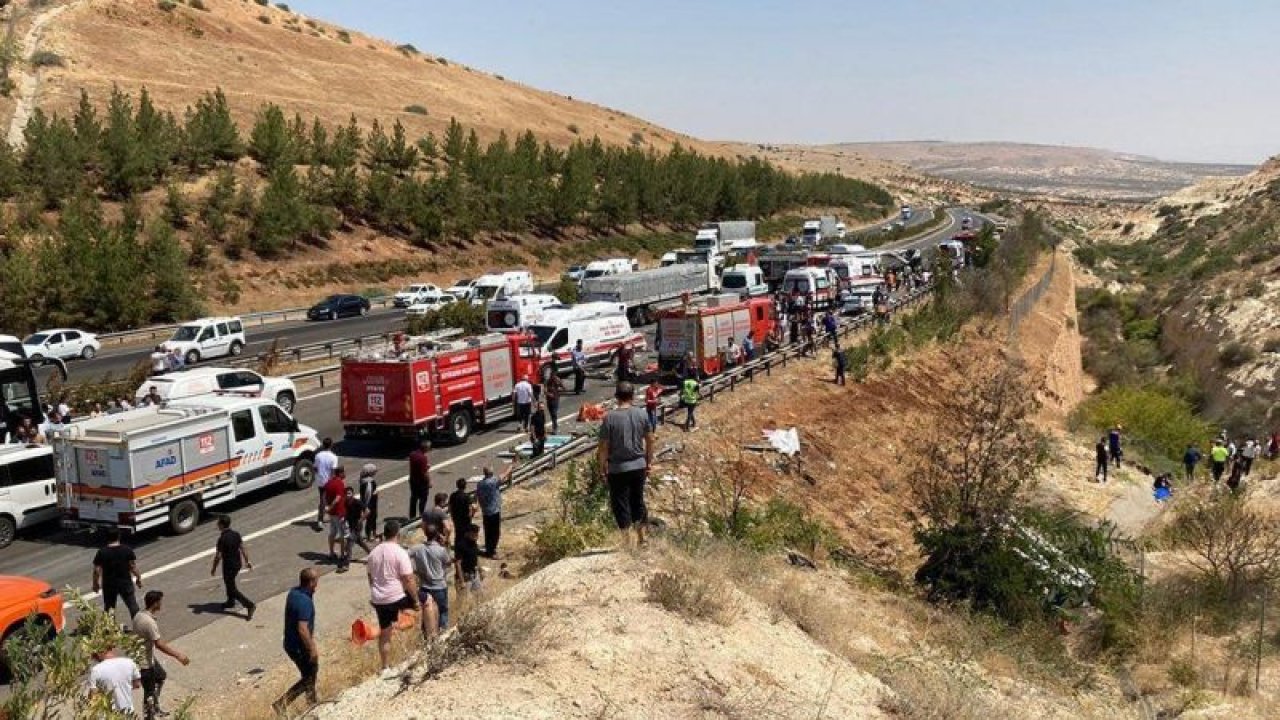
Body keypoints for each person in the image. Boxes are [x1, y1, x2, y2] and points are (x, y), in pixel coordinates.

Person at [597, 382, 655, 545]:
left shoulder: (609, 418)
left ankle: (627, 541)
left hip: (618, 468)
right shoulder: (642, 414)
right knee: (638, 500)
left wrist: (602, 468)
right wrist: (649, 461)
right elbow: (650, 440)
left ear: (616, 397)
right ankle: (642, 539)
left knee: (620, 503)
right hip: (638, 465)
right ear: (633, 396)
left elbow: (603, 447)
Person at [365, 520, 420, 673]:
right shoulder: (399, 552)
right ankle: (427, 642)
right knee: (428, 601)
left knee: (385, 631)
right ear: (398, 534)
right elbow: (408, 579)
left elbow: (370, 577)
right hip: (396, 596)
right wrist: (415, 600)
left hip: (379, 598)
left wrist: (375, 594)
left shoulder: (373, 553)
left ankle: (385, 666)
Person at [132, 590, 190, 720]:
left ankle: (155, 709)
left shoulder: (139, 615)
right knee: (149, 693)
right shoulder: (149, 622)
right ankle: (149, 716)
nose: (161, 604)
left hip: (145, 656)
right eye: (160, 601)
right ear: (155, 603)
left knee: (160, 676)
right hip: (144, 663)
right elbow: (159, 644)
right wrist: (178, 655)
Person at [273, 568, 319, 716]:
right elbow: (302, 629)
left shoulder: (294, 593)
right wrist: (312, 648)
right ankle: (283, 703)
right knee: (309, 675)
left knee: (310, 673)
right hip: (299, 647)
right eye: (316, 580)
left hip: (290, 644)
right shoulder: (304, 602)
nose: (318, 583)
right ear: (311, 582)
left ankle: (311, 701)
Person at [409, 525, 453, 638]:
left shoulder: (417, 548)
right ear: (437, 535)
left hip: (424, 587)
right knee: (443, 612)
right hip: (439, 587)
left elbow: (404, 555)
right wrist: (446, 544)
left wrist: (413, 569)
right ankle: (443, 636)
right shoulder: (440, 550)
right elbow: (448, 562)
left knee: (426, 614)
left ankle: (427, 637)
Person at [210, 515, 256, 619]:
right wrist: (247, 561)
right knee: (229, 582)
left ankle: (249, 605)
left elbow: (218, 556)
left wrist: (213, 568)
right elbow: (242, 548)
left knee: (231, 588)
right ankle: (230, 602)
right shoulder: (236, 534)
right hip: (237, 564)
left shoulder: (222, 539)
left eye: (218, 523)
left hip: (228, 566)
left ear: (221, 525)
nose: (217, 525)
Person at [93, 527, 143, 622]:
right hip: (125, 583)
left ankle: (110, 631)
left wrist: (95, 584)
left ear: (107, 537)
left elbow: (96, 570)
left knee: (109, 609)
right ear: (119, 536)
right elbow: (132, 567)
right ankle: (139, 626)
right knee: (133, 606)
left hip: (109, 585)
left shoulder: (102, 552)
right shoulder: (127, 550)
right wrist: (138, 578)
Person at [88, 646, 142, 716]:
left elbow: (93, 697)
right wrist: (122, 688)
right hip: (128, 712)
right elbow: (137, 684)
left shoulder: (96, 670)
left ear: (98, 653)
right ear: (111, 648)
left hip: (109, 715)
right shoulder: (129, 662)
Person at [323, 466, 349, 570]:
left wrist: (327, 507)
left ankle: (331, 552)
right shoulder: (339, 483)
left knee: (332, 532)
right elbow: (338, 498)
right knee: (343, 534)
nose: (345, 474)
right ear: (341, 473)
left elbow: (324, 496)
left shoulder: (329, 483)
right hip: (339, 513)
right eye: (344, 472)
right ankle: (342, 554)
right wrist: (331, 506)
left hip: (332, 514)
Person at [475, 466, 504, 558]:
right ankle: (492, 552)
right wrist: (511, 466)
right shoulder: (493, 482)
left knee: (488, 532)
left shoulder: (480, 484)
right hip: (494, 511)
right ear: (491, 473)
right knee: (495, 532)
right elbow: (503, 476)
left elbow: (478, 496)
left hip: (485, 511)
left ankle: (489, 549)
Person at [313, 438, 338, 531]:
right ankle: (326, 518)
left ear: (323, 445)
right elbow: (333, 471)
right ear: (331, 445)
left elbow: (315, 468)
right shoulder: (334, 457)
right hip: (329, 481)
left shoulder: (318, 455)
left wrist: (319, 475)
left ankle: (322, 519)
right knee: (331, 499)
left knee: (323, 499)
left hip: (320, 481)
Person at [343, 487, 373, 561]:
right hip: (351, 525)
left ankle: (347, 562)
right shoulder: (346, 502)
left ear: (353, 494)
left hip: (357, 526)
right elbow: (348, 513)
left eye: (349, 493)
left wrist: (361, 520)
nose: (348, 495)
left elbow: (367, 511)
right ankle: (372, 553)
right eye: (346, 494)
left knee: (350, 541)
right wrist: (344, 520)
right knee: (360, 541)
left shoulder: (357, 502)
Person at [407, 439, 431, 520]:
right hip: (421, 482)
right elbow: (424, 473)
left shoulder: (412, 454)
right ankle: (421, 515)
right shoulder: (423, 458)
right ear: (425, 448)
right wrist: (429, 482)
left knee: (413, 498)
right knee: (423, 499)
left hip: (413, 480)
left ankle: (412, 517)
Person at [455, 523, 483, 593]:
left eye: (476, 534)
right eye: (473, 534)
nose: (476, 536)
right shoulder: (461, 545)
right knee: (463, 600)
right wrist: (462, 582)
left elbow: (476, 558)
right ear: (467, 533)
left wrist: (480, 571)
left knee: (479, 597)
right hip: (465, 577)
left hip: (474, 574)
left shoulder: (474, 543)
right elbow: (458, 564)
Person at [448, 478, 473, 551]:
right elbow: (470, 508)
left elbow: (450, 507)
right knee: (465, 533)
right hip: (465, 519)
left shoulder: (453, 495)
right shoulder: (466, 496)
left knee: (458, 533)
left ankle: (457, 547)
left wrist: (452, 515)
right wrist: (470, 516)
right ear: (465, 486)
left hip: (456, 518)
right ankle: (465, 547)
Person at [359, 463, 380, 542]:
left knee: (373, 518)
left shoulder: (363, 480)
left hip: (369, 503)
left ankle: (373, 533)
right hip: (370, 504)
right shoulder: (369, 482)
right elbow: (368, 493)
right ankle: (369, 535)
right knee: (371, 519)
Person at [544, 369, 564, 434]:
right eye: (551, 375)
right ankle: (554, 425)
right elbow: (545, 390)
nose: (553, 377)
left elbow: (563, 388)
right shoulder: (547, 381)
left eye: (554, 375)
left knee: (554, 413)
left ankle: (555, 428)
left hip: (555, 399)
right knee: (552, 414)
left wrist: (560, 386)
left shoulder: (557, 380)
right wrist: (548, 394)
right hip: (549, 400)